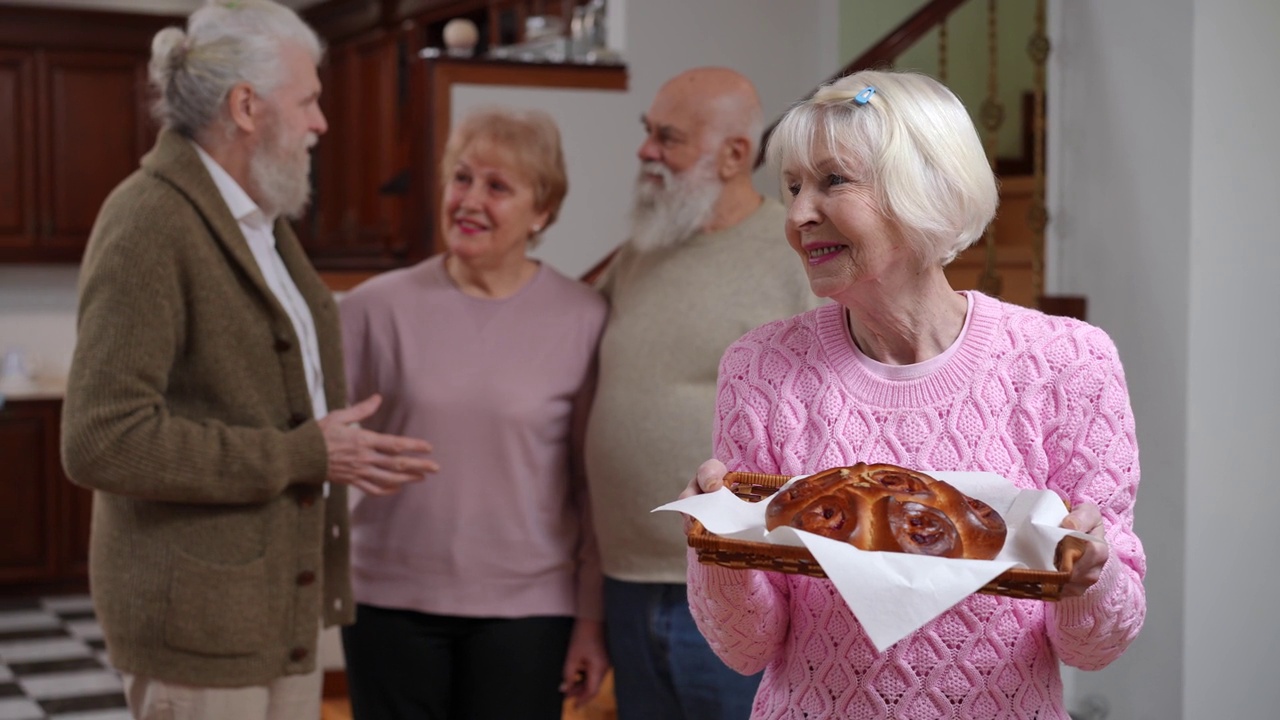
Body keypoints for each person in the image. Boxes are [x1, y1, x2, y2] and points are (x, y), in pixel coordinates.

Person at [677, 69, 1148, 719]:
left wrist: (1090, 580)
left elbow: (1096, 647)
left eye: (832, 182)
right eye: (791, 187)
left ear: (922, 190)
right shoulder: (760, 369)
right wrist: (717, 550)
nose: (796, 216)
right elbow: (746, 648)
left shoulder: (1068, 364)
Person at [59, 2, 438, 718]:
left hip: (270, 619)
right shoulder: (149, 220)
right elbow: (102, 440)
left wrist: (333, 452)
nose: (321, 122)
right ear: (246, 107)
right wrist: (300, 455)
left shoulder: (258, 222)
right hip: (199, 632)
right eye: (309, 100)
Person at [337, 106, 610, 720]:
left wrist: (591, 619)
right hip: (388, 601)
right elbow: (308, 437)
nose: (469, 200)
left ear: (542, 212)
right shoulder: (371, 309)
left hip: (529, 611)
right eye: (461, 178)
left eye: (497, 187)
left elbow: (591, 484)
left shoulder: (584, 318)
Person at [583, 66, 822, 720]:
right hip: (627, 582)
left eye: (668, 137)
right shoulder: (642, 252)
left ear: (735, 155)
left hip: (734, 585)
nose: (645, 151)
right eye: (647, 133)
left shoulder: (795, 254)